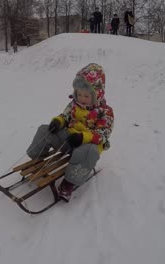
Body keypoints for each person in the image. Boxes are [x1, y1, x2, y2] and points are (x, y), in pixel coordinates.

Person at [26, 63, 115, 202]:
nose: (81, 98)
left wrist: (82, 137)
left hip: (87, 145)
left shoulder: (105, 112)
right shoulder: (74, 104)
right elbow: (65, 116)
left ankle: (69, 183)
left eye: (86, 95)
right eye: (79, 94)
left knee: (88, 151)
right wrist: (58, 122)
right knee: (44, 129)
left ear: (97, 94)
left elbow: (102, 134)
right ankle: (36, 159)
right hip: (69, 140)